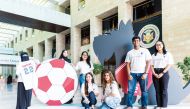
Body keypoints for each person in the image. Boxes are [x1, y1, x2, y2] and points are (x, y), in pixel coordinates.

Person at [125, 36, 152, 109]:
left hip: (142, 73)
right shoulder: (130, 53)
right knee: (130, 91)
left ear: (139, 42)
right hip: (132, 74)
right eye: (134, 41)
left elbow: (148, 62)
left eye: (137, 40)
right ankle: (129, 105)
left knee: (144, 91)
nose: (136, 42)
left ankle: (144, 105)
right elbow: (127, 64)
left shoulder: (145, 51)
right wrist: (129, 74)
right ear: (132, 42)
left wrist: (146, 73)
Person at [151, 41, 174, 109]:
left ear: (163, 45)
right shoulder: (153, 55)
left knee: (164, 89)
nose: (158, 46)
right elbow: (151, 65)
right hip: (155, 72)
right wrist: (154, 73)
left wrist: (163, 73)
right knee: (157, 90)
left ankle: (163, 106)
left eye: (160, 44)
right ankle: (159, 105)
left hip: (164, 72)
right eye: (157, 45)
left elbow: (169, 64)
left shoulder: (167, 54)